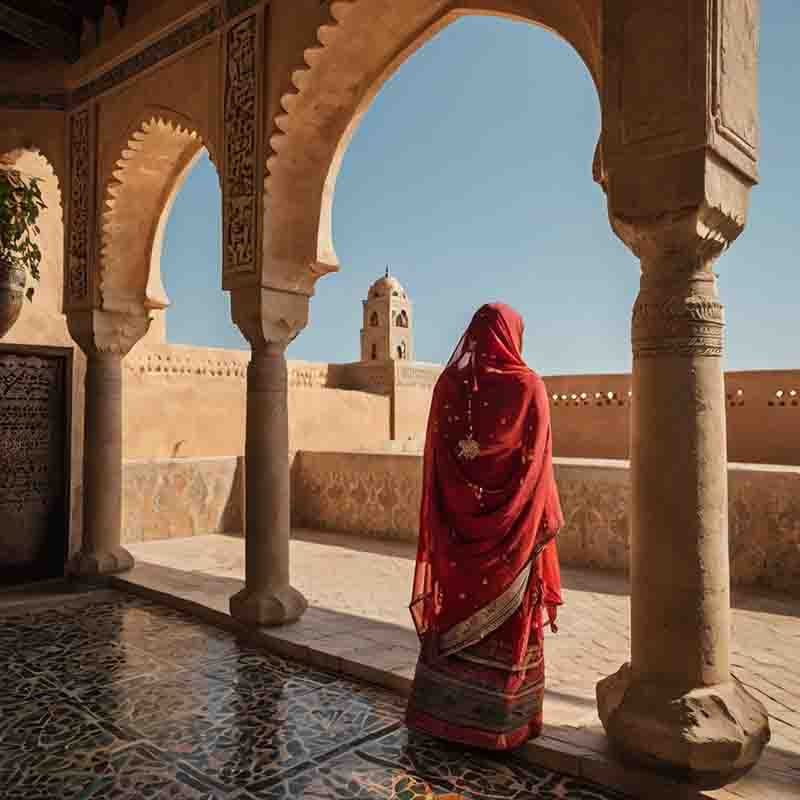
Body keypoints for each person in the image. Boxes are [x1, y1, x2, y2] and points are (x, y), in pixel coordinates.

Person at [406, 302, 563, 750]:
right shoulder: (529, 386)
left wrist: (452, 516)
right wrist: (533, 518)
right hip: (511, 536)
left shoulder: (448, 387)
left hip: (456, 538)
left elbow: (437, 463)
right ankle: (498, 724)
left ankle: (444, 714)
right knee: (507, 626)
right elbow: (536, 468)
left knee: (453, 613)